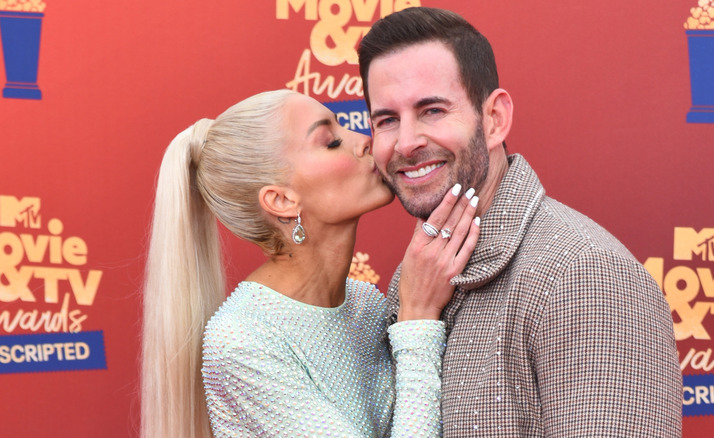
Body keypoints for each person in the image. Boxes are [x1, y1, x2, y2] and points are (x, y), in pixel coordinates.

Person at [358, 7, 683, 437]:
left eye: (432, 110)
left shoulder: (584, 274)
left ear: (494, 119)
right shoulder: (414, 279)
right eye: (387, 120)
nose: (407, 142)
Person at [140, 89, 482, 437]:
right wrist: (418, 320)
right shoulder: (244, 341)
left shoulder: (366, 306)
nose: (366, 141)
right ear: (282, 200)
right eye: (331, 142)